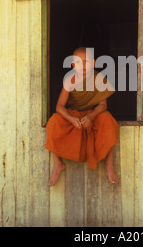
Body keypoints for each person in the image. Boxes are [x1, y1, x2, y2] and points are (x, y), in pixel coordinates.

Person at [45, 47, 120, 186]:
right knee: (53, 122)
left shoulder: (99, 78)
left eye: (86, 62)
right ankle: (58, 163)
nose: (82, 65)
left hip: (92, 114)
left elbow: (103, 105)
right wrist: (71, 119)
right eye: (78, 62)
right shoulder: (69, 79)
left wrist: (91, 116)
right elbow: (59, 106)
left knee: (108, 121)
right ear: (73, 65)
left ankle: (109, 163)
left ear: (94, 63)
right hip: (74, 114)